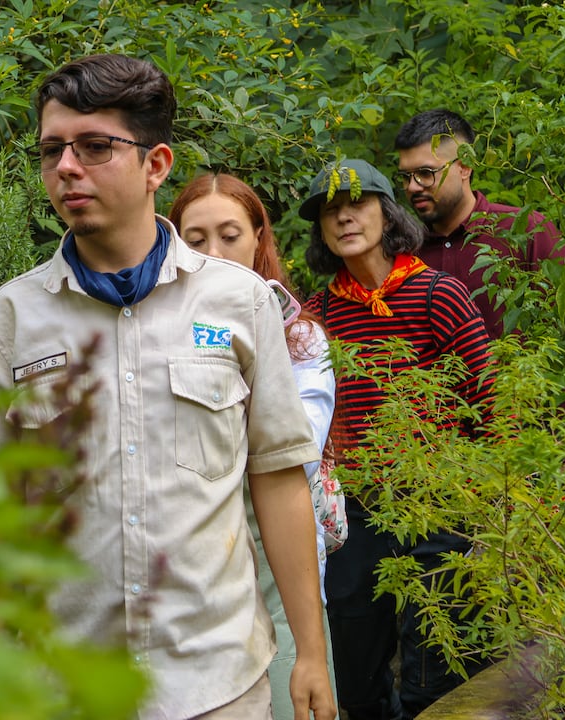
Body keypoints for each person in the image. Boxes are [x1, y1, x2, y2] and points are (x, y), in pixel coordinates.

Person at [0, 54, 336, 720]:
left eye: (94, 146)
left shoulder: (240, 303)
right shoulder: (12, 319)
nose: (66, 167)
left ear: (156, 164)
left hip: (217, 683)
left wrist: (310, 652)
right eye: (51, 150)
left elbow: (280, 478)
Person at [299, 158, 496, 720]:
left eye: (357, 204)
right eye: (330, 211)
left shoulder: (437, 293)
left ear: (387, 214)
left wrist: (494, 509)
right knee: (355, 683)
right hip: (354, 515)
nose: (344, 218)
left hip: (439, 508)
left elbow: (490, 404)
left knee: (435, 680)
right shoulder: (316, 315)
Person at [170, 173, 346, 719]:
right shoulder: (158, 332)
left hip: (278, 553)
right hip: (192, 568)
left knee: (295, 693)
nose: (214, 253)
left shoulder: (300, 336)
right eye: (195, 240)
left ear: (258, 238)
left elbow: (297, 449)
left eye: (229, 236)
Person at [394, 108, 565, 340]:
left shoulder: (527, 229)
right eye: (405, 177)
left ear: (465, 167)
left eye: (425, 173)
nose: (412, 186)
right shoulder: (404, 250)